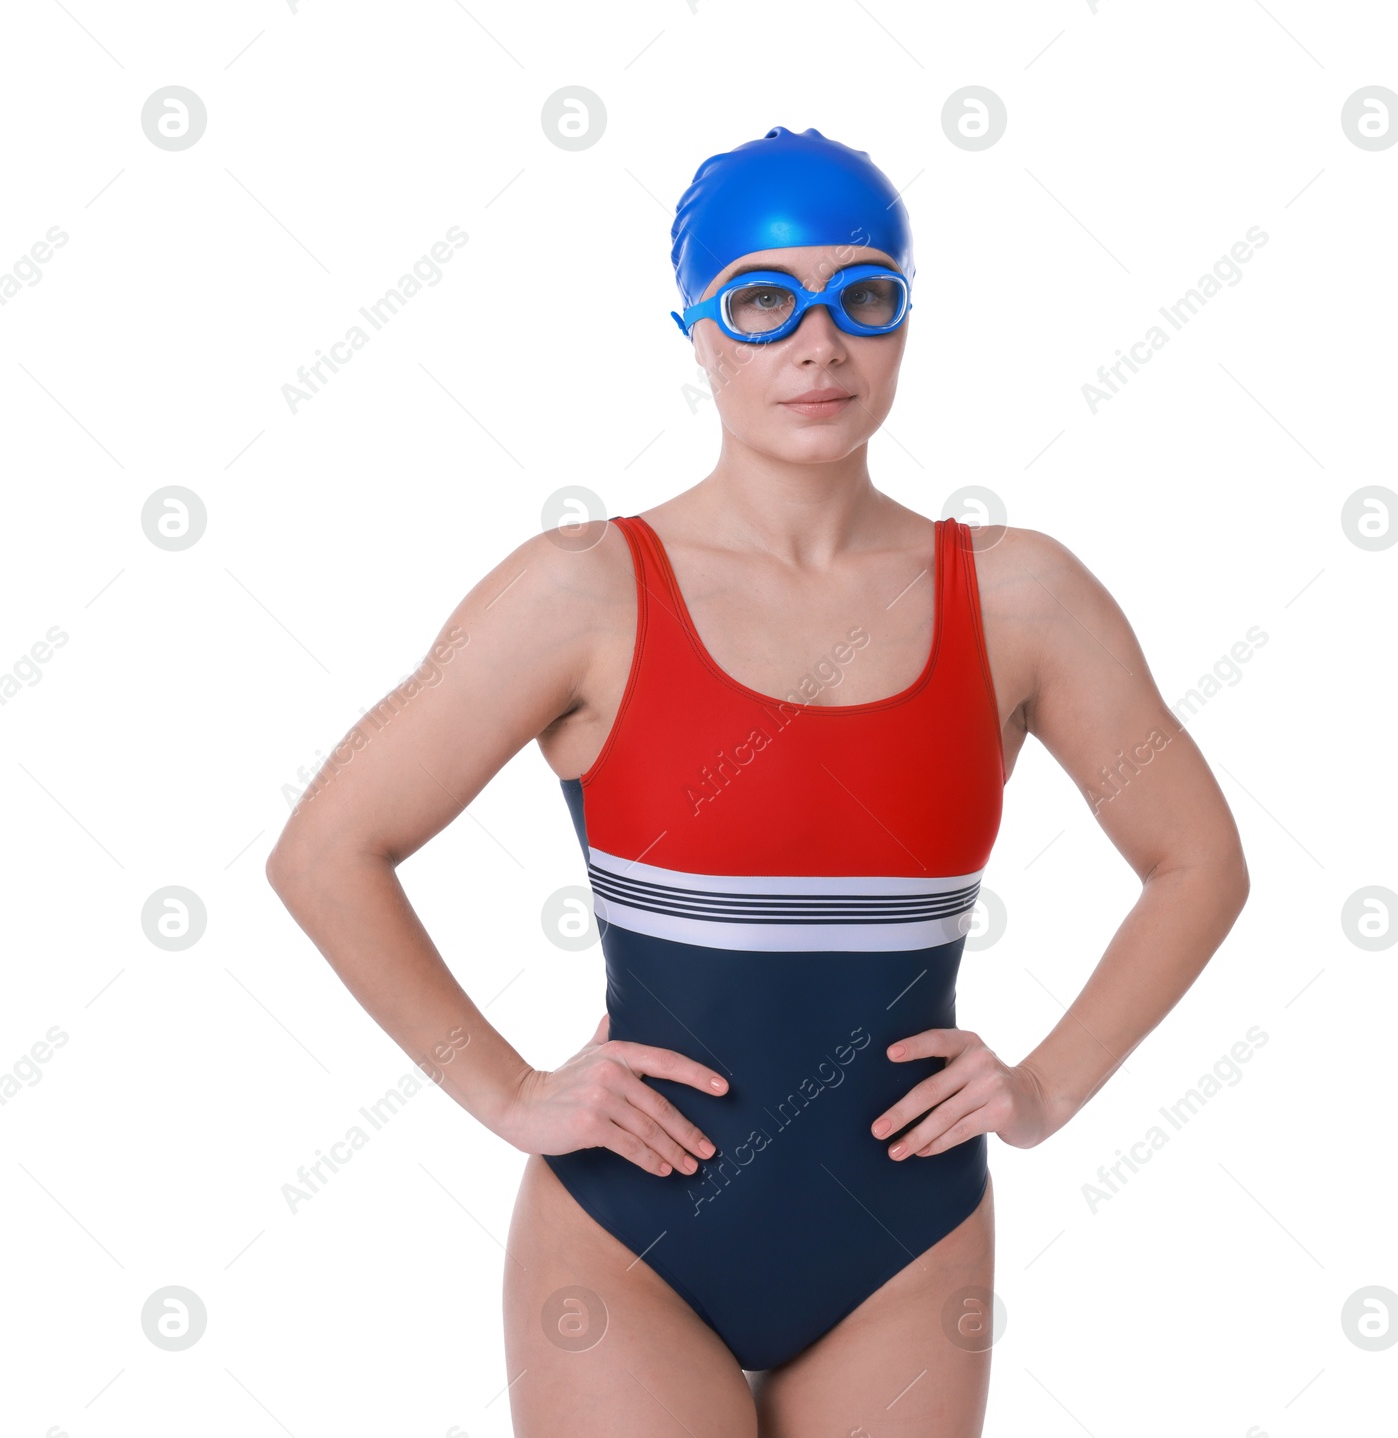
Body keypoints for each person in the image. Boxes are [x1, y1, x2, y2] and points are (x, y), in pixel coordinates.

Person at [266, 125, 1250, 1437]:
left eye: (866, 298)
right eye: (766, 300)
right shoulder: (584, 592)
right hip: (629, 1234)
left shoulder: (1022, 599)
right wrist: (505, 1089)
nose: (819, 344)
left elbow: (1199, 861)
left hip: (906, 1237)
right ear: (697, 326)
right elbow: (327, 847)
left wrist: (1048, 1086)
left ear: (907, 319)